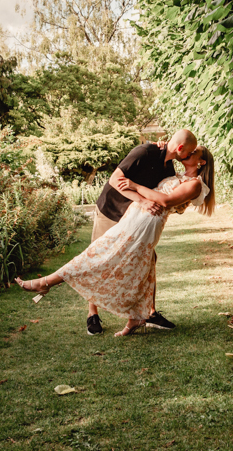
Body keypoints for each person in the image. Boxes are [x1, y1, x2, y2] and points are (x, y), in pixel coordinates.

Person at [15, 146, 216, 337]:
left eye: (194, 152)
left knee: (101, 256)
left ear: (202, 162)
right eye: (190, 149)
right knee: (138, 270)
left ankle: (45, 282)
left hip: (144, 225)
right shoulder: (176, 175)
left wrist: (135, 186)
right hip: (134, 217)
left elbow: (164, 201)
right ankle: (136, 318)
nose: (189, 152)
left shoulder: (196, 184)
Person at [83, 129, 197, 335]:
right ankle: (93, 313)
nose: (189, 156)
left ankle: (149, 313)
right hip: (111, 209)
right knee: (98, 259)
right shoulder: (144, 151)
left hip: (133, 218)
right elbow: (114, 180)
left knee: (149, 260)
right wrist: (143, 201)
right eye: (189, 153)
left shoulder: (169, 168)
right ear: (180, 149)